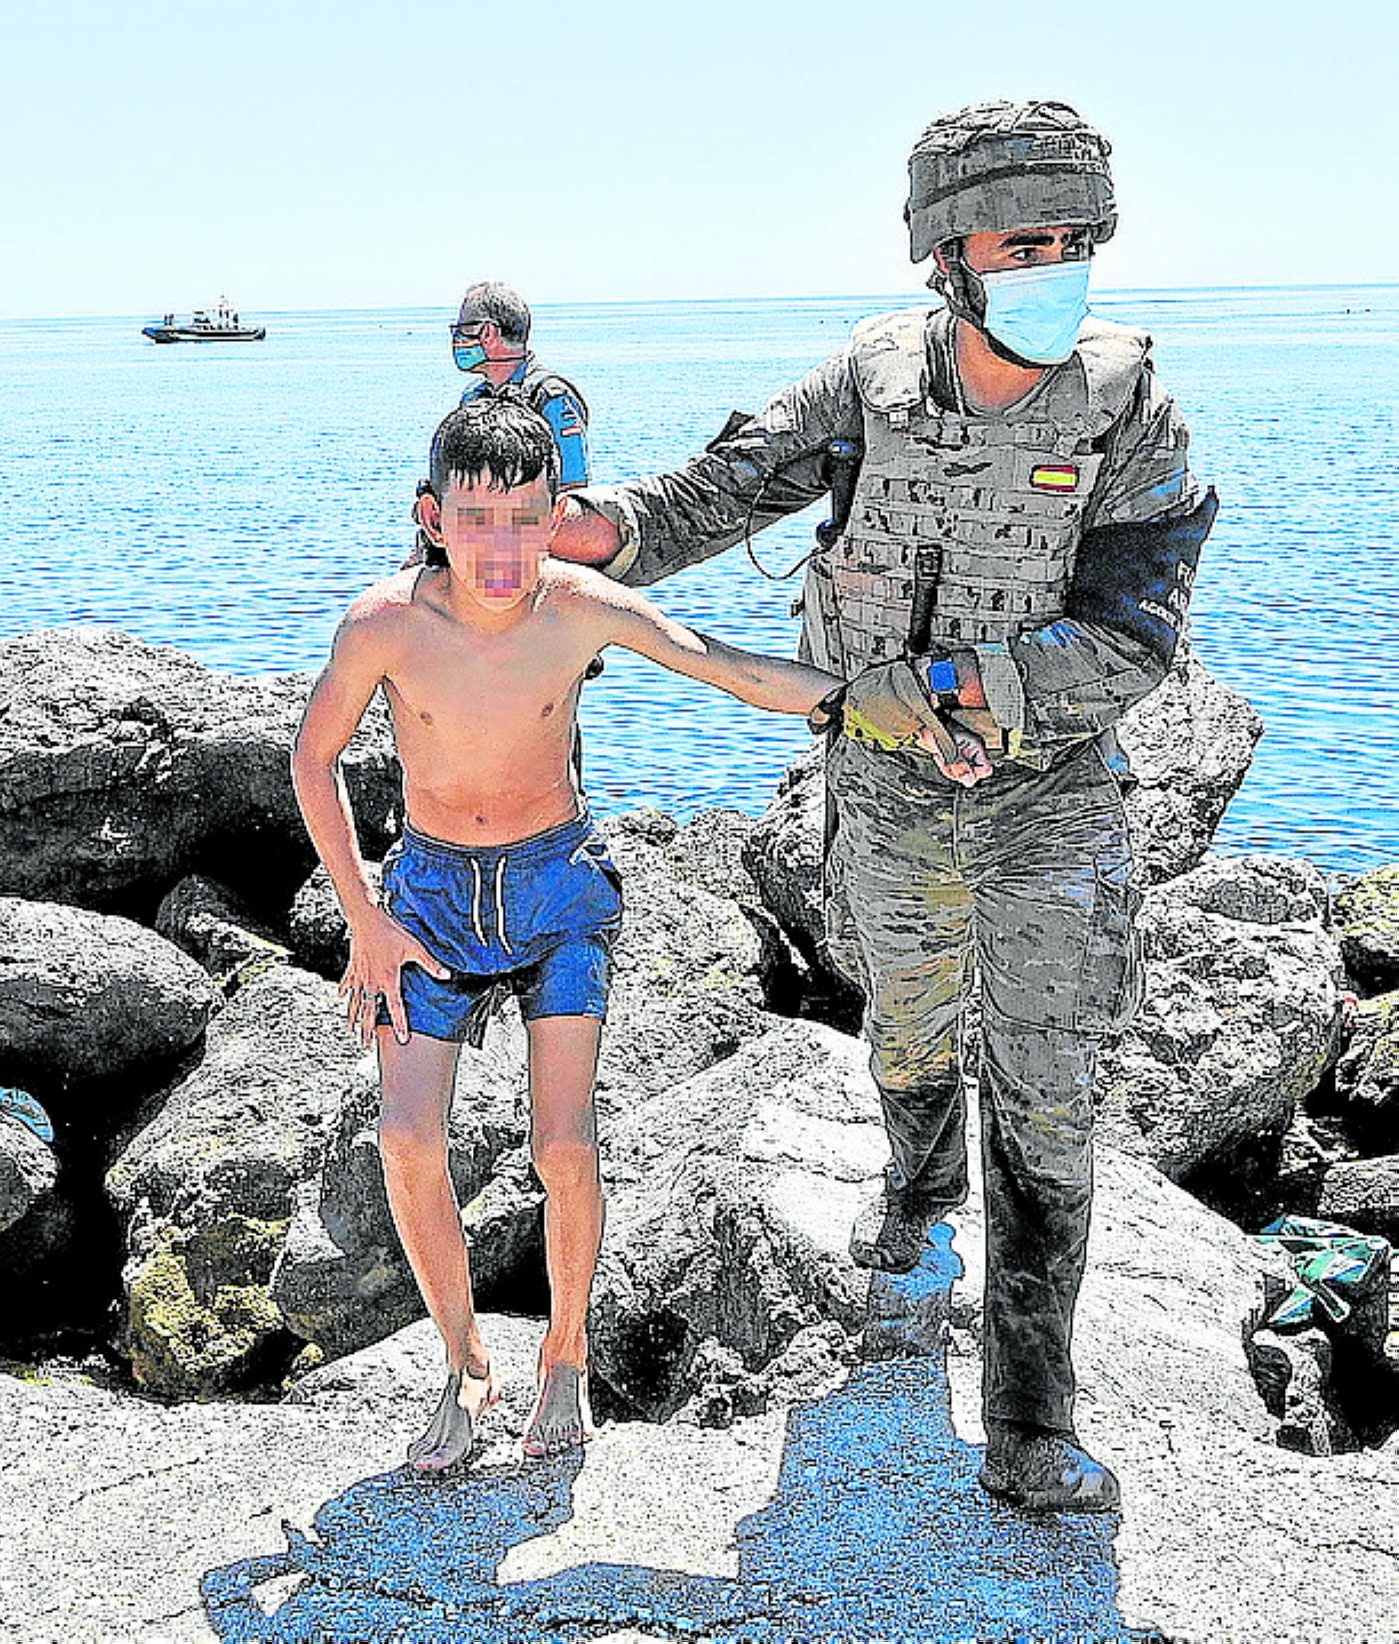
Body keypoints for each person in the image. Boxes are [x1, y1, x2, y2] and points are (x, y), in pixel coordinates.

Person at [549, 99, 1218, 1513]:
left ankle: (1030, 1418)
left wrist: (964, 684)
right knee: (909, 1017)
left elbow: (1139, 629)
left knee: (1051, 1082)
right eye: (1021, 244)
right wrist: (575, 534)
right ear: (947, 256)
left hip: (1051, 791)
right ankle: (918, 1188)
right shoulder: (868, 383)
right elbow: (712, 496)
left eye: (1073, 240)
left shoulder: (1130, 407)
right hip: (887, 783)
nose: (1053, 267)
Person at [292, 397, 988, 1476]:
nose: (501, 550)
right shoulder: (383, 624)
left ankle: (564, 1353)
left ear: (557, 517)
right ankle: (464, 1365)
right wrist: (365, 921)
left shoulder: (578, 606)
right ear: (433, 518)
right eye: (475, 522)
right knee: (407, 1141)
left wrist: (882, 706)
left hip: (556, 890)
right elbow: (313, 758)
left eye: (524, 520)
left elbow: (727, 666)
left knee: (564, 1148)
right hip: (427, 900)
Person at [451, 280, 591, 486]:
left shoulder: (550, 398)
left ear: (488, 332)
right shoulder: (472, 396)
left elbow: (573, 489)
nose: (457, 338)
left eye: (462, 329)